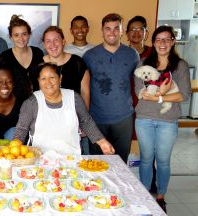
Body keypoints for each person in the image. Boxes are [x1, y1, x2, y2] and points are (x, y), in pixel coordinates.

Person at [134, 26, 191, 213]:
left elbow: (184, 95)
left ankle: (160, 196)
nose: (163, 43)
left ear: (173, 41)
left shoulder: (180, 66)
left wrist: (158, 96)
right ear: (153, 42)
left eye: (167, 39)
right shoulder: (143, 63)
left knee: (163, 160)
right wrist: (159, 93)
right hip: (144, 118)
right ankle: (143, 195)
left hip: (168, 121)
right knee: (146, 159)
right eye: (159, 39)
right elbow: (139, 92)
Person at [13, 63, 115, 156]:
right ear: (38, 81)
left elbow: (86, 121)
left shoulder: (74, 98)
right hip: (40, 159)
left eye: (52, 77)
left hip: (71, 158)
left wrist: (102, 142)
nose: (48, 82)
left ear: (60, 78)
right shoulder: (31, 103)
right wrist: (13, 151)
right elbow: (22, 129)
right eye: (43, 78)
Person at [83, 13, 139, 163]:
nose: (112, 33)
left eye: (116, 28)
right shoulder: (89, 56)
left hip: (124, 118)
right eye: (108, 29)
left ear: (121, 31)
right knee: (96, 163)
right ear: (102, 31)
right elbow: (84, 88)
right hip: (96, 119)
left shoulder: (132, 55)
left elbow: (139, 84)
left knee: (120, 162)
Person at [42, 26, 90, 154]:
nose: (52, 44)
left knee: (79, 165)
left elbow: (85, 93)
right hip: (47, 125)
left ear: (63, 41)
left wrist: (83, 122)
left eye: (56, 39)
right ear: (44, 45)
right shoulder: (38, 65)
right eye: (48, 41)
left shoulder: (77, 63)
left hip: (74, 124)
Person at [126, 15, 157, 194]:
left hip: (150, 109)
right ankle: (130, 184)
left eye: (140, 29)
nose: (136, 33)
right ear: (127, 34)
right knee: (129, 146)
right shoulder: (122, 52)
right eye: (133, 29)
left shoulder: (154, 53)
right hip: (128, 108)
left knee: (149, 148)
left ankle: (152, 186)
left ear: (146, 32)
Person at [0, 15, 43, 92]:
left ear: (29, 35)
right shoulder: (4, 58)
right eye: (16, 35)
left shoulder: (38, 53)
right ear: (11, 37)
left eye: (24, 34)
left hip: (37, 100)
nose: (21, 38)